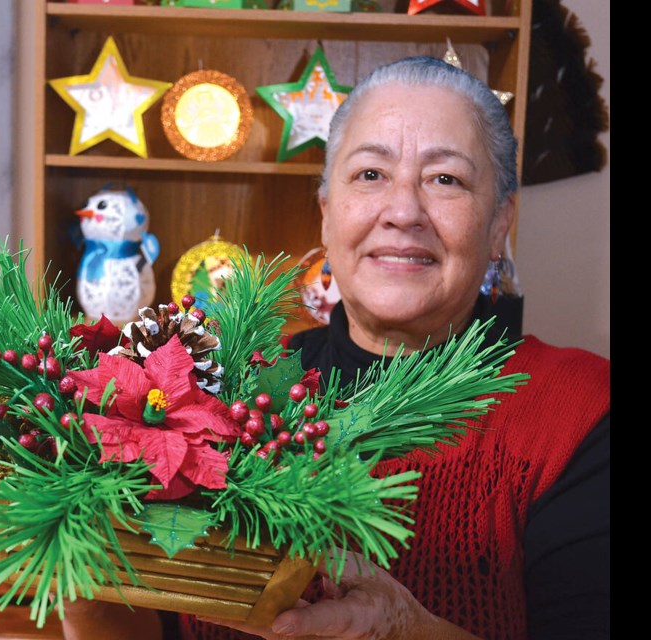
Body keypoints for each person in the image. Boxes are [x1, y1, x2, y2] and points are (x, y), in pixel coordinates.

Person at [62, 55, 610, 640]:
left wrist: (402, 629)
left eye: (445, 179)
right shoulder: (221, 398)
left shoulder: (578, 416)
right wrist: (91, 600)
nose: (402, 212)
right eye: (371, 174)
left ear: (500, 221)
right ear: (326, 215)